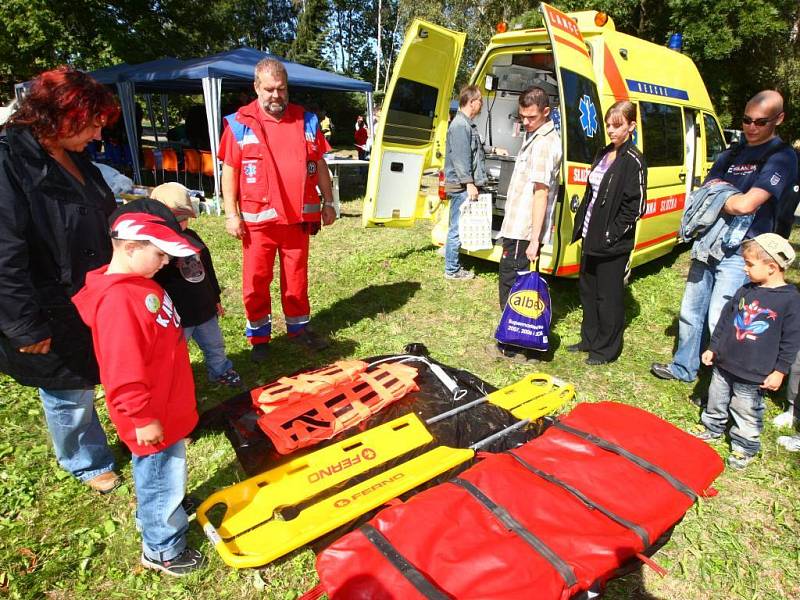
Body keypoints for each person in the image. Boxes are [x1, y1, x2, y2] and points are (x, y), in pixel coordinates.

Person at [0, 67, 122, 494]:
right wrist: (21, 325)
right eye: (90, 123)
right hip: (44, 300)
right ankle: (85, 461)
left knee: (90, 373)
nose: (97, 133)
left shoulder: (78, 157)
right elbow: (4, 252)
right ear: (60, 118)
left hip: (90, 292)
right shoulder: (9, 163)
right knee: (66, 386)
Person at [72, 200, 207, 576]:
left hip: (167, 403)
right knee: (159, 475)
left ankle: (169, 506)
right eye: (160, 253)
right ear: (131, 247)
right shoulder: (119, 302)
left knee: (166, 472)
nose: (165, 261)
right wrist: (142, 418)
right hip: (151, 415)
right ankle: (162, 547)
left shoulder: (139, 284)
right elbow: (122, 372)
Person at [652, 90, 798, 382]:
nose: (751, 127)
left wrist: (720, 196)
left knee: (725, 316)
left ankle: (721, 382)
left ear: (779, 119)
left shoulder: (782, 157)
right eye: (746, 120)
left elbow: (746, 204)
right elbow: (705, 192)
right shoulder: (732, 152)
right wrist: (725, 197)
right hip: (709, 242)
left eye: (761, 121)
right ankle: (684, 367)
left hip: (745, 252)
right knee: (691, 310)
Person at [219, 58, 336, 362]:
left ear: (287, 87)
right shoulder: (239, 124)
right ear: (256, 87)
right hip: (258, 225)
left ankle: (299, 330)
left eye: (281, 89)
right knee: (256, 282)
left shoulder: (306, 121)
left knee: (296, 281)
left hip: (297, 221)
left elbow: (320, 165)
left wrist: (329, 202)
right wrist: (231, 214)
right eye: (269, 89)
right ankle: (259, 338)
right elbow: (230, 171)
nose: (275, 95)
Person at [689, 234, 800, 469]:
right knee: (716, 398)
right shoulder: (746, 290)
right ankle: (712, 426)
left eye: (749, 264)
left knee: (746, 409)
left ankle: (744, 445)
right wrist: (713, 348)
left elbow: (791, 341)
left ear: (771, 267)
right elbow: (725, 320)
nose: (744, 268)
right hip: (725, 362)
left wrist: (780, 371)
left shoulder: (790, 301)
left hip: (754, 371)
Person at [570, 101, 647, 365]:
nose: (611, 131)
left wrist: (609, 236)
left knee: (608, 296)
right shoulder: (604, 153)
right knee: (588, 291)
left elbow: (635, 208)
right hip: (591, 235)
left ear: (631, 126)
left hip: (612, 244)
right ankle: (589, 340)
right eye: (608, 125)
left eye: (618, 125)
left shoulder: (633, 160)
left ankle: (606, 349)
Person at [488, 86, 562, 360]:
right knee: (514, 282)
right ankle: (516, 339)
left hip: (523, 230)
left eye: (531, 117)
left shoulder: (544, 143)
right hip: (517, 225)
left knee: (513, 284)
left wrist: (534, 240)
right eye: (522, 117)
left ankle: (513, 342)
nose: (526, 122)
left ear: (546, 112)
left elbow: (541, 193)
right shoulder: (536, 136)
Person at [150, 183, 242, 387]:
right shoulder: (154, 248)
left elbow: (207, 270)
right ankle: (173, 382)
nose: (182, 224)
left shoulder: (192, 238)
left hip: (204, 309)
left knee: (215, 344)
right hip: (178, 314)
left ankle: (220, 370)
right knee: (175, 351)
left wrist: (215, 298)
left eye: (185, 219)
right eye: (177, 219)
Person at [443, 85, 488, 281]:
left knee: (458, 225)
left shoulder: (466, 124)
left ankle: (452, 262)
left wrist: (494, 149)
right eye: (480, 102)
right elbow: (461, 158)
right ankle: (451, 269)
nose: (481, 106)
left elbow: (474, 150)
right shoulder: (460, 126)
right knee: (457, 227)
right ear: (472, 102)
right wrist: (469, 183)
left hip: (463, 184)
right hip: (461, 186)